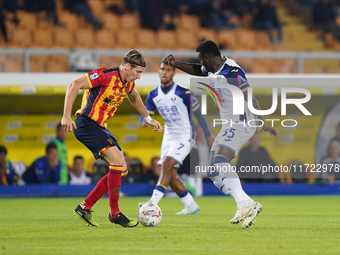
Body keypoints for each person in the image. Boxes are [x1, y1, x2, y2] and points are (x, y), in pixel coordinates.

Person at [163, 40, 278, 229]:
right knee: (213, 171)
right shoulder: (213, 69)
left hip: (240, 122)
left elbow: (250, 95)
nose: (201, 63)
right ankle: (249, 203)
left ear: (208, 58)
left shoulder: (232, 71)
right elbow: (195, 69)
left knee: (219, 161)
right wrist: (175, 64)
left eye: (201, 59)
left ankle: (243, 205)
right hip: (229, 125)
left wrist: (260, 120)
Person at [61, 49, 162, 228]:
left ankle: (85, 207)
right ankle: (114, 212)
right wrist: (66, 116)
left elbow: (134, 96)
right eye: (138, 72)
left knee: (122, 169)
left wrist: (148, 118)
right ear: (127, 66)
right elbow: (73, 84)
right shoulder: (105, 75)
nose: (139, 77)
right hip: (85, 123)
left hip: (100, 127)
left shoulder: (128, 84)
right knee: (116, 160)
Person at [140, 62, 214, 214]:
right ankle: (192, 206)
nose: (164, 72)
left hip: (185, 135)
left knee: (166, 165)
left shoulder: (184, 93)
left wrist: (208, 136)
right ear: (158, 71)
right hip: (168, 135)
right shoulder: (153, 95)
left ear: (174, 73)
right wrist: (146, 121)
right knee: (171, 176)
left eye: (168, 70)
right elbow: (147, 115)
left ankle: (151, 204)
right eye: (162, 69)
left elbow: (199, 115)